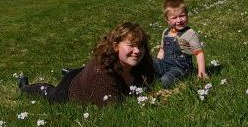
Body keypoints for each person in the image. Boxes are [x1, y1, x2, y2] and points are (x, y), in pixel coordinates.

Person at [18, 22, 154, 106]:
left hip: (83, 75)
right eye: (131, 45)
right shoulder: (102, 75)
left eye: (140, 46)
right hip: (68, 91)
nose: (137, 51)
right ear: (115, 46)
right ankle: (24, 87)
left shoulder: (143, 65)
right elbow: (113, 110)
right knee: (47, 93)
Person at [153, 0, 208, 88]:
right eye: (174, 18)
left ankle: (162, 78)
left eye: (182, 16)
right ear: (167, 20)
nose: (179, 20)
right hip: (165, 64)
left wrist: (202, 73)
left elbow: (199, 53)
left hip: (181, 68)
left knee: (165, 81)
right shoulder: (166, 32)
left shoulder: (190, 33)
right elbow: (162, 51)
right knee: (150, 62)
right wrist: (158, 63)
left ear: (187, 15)